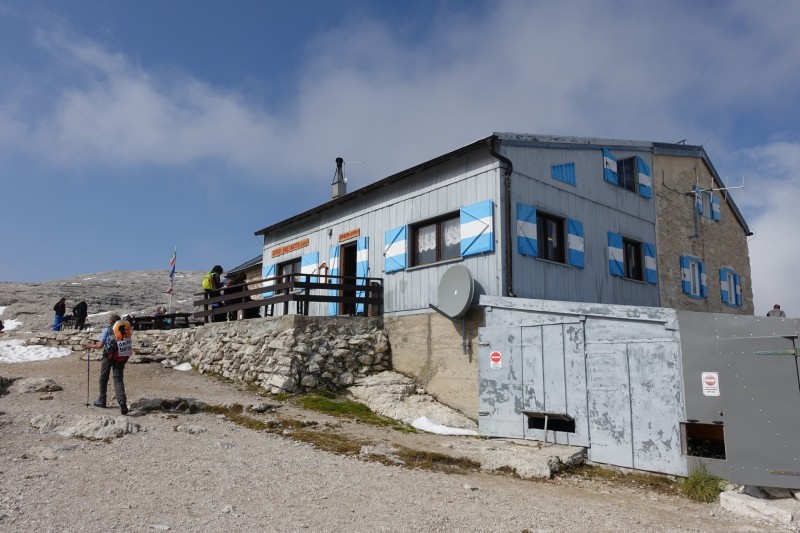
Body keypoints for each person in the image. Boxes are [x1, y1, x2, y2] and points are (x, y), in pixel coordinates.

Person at [85, 314, 132, 415]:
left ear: (111, 322)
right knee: (118, 379)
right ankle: (122, 403)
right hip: (121, 355)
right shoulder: (124, 330)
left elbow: (100, 345)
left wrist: (90, 345)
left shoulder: (107, 329)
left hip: (108, 356)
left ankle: (102, 400)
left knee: (104, 377)